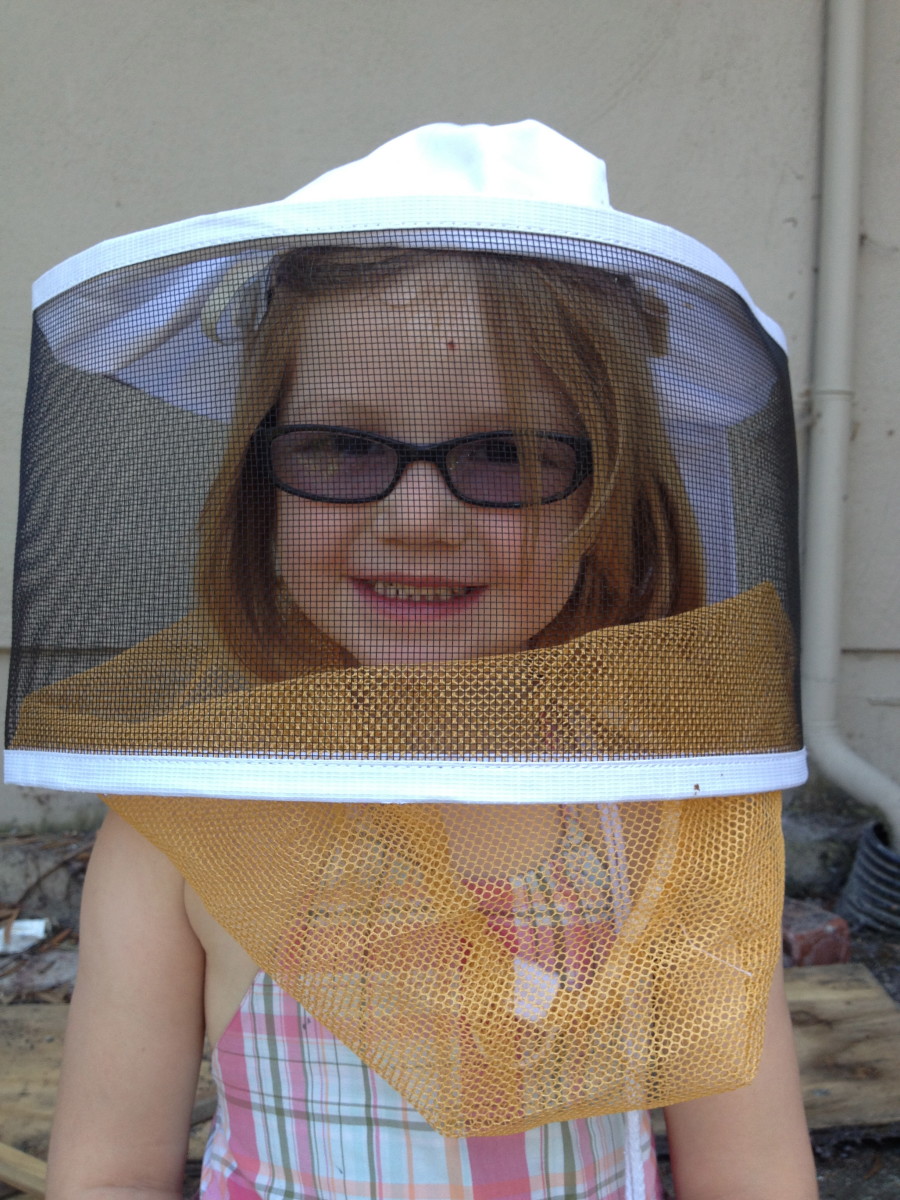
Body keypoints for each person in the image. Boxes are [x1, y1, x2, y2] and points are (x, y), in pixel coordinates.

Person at [10, 123, 817, 1198]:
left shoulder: (675, 813)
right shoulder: (188, 820)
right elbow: (109, 1173)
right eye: (343, 446)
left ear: (610, 497)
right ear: (261, 483)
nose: (420, 519)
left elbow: (752, 1172)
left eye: (506, 454)